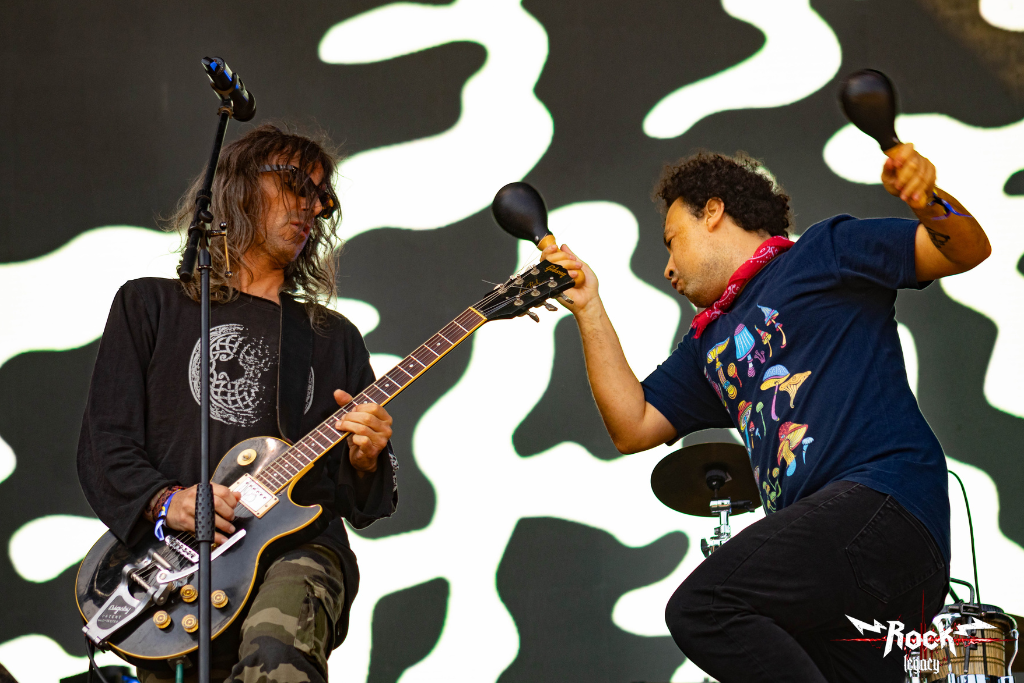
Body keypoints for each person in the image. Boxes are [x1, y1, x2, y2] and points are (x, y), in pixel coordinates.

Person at [544, 144, 990, 682]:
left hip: (885, 503)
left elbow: (965, 250)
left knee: (706, 607)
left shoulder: (821, 252)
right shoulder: (707, 344)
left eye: (671, 240)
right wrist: (588, 306)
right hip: (848, 573)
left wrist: (926, 196)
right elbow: (632, 425)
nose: (667, 267)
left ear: (712, 212)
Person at [77, 124, 398, 683]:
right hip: (173, 569)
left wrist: (367, 459)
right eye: (296, 184)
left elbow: (364, 504)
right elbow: (106, 444)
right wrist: (167, 502)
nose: (312, 206)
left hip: (297, 550)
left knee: (277, 656)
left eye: (323, 197)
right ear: (239, 187)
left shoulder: (331, 336)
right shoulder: (148, 305)